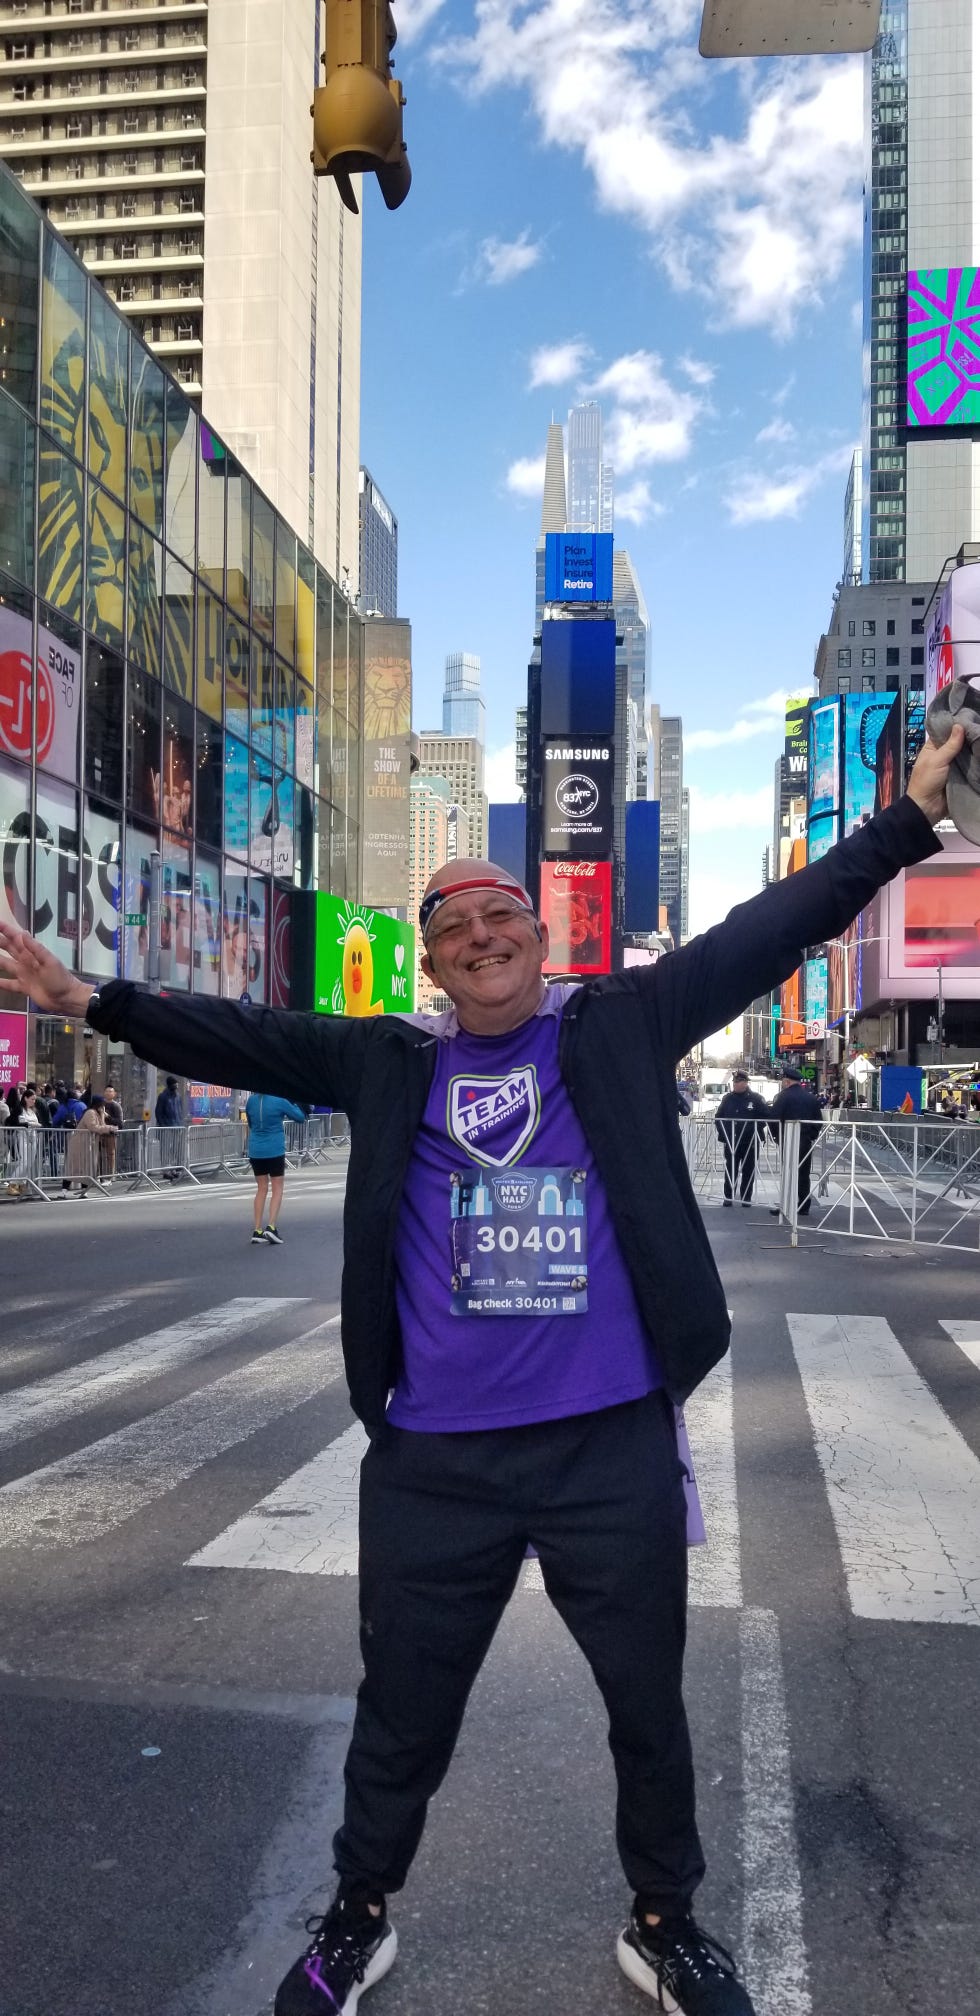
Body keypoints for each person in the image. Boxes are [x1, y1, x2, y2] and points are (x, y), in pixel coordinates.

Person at [0, 727, 963, 2016]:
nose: (481, 935)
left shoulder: (619, 1026)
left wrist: (901, 822)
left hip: (604, 1446)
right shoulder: (386, 1060)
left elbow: (762, 930)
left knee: (645, 1709)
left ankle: (664, 1922)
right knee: (401, 1709)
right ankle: (357, 1916)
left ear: (536, 935)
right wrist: (88, 1002)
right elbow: (241, 1034)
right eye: (452, 924)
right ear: (434, 959)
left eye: (499, 914)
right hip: (435, 1464)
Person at [244, 1091, 308, 1245]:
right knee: (277, 1188)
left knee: (261, 1188)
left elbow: (251, 1124)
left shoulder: (251, 1101)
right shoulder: (280, 1100)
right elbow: (300, 1117)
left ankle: (257, 1230)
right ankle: (271, 1227)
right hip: (274, 1149)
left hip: (255, 1149)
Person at [768, 1067, 823, 1219]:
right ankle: (804, 1205)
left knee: (788, 1173)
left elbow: (773, 1119)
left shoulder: (783, 1097)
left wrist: (777, 1137)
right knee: (803, 1174)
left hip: (788, 1139)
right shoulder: (810, 1098)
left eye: (783, 1081)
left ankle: (786, 1205)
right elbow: (818, 1121)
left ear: (786, 1081)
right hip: (805, 1140)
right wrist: (811, 1135)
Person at [714, 1071, 770, 1207]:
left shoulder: (756, 1099)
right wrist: (724, 1133)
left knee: (748, 1170)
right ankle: (728, 1196)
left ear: (745, 1083)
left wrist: (753, 1129)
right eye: (734, 1082)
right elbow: (719, 1117)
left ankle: (746, 1198)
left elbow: (765, 1117)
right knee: (730, 1169)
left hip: (749, 1141)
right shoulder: (728, 1098)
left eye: (738, 1082)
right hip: (732, 1140)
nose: (735, 1084)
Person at [154, 1074, 183, 1182]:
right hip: (166, 1127)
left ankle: (173, 1169)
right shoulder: (163, 1096)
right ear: (170, 1085)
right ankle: (166, 1171)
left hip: (177, 1127)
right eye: (175, 1084)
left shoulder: (178, 1096)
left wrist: (180, 1124)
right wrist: (163, 1126)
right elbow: (158, 1112)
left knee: (174, 1150)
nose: (176, 1086)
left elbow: (179, 1111)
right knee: (165, 1150)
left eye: (177, 1084)